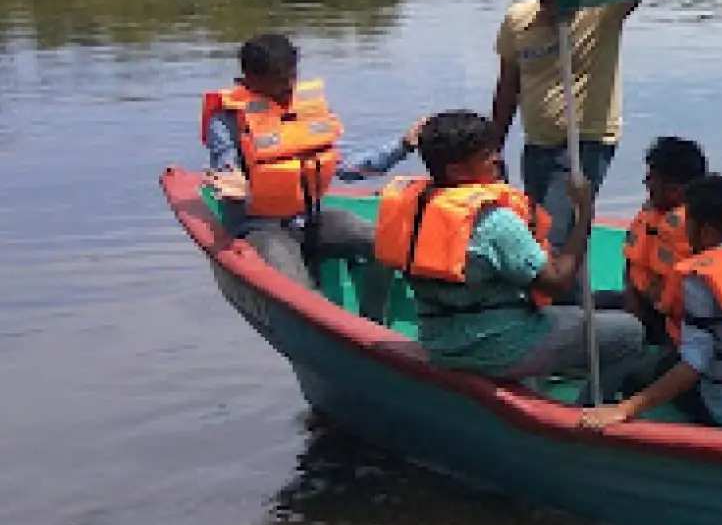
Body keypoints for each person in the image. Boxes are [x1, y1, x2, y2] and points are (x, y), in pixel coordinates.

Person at [374, 110, 652, 387]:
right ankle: (589, 413)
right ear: (456, 170)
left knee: (574, 315)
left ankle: (538, 383)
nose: (497, 159)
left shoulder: (416, 206)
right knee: (629, 331)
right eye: (486, 156)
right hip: (498, 348)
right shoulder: (494, 221)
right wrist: (584, 215)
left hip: (439, 341)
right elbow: (555, 283)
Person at [202, 32, 417, 320]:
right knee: (300, 295)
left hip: (312, 217)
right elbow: (226, 175)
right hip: (260, 228)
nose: (288, 86)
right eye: (278, 79)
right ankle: (331, 333)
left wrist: (403, 145)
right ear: (251, 77)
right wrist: (236, 188)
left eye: (291, 76)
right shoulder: (226, 120)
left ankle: (372, 320)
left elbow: (349, 167)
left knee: (387, 245)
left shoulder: (306, 109)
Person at [580, 175, 722, 434]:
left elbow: (693, 366)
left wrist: (625, 409)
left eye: (688, 223)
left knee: (635, 372)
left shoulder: (702, 282)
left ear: (705, 231)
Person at [490, 0, 639, 243]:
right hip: (536, 144)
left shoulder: (602, 10)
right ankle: (567, 290)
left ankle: (553, 288)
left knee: (553, 237)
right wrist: (493, 147)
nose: (554, 4)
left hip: (585, 143)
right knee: (538, 228)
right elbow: (508, 86)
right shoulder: (518, 20)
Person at [594, 136, 707, 346]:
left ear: (674, 189)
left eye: (652, 178)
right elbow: (632, 261)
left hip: (675, 330)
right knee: (585, 306)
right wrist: (632, 306)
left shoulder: (700, 229)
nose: (646, 183)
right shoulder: (654, 212)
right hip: (641, 307)